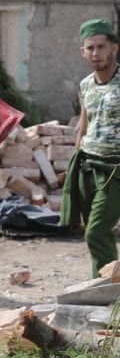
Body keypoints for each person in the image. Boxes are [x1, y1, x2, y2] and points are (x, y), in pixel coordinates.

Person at [61, 19, 120, 279]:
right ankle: (103, 284)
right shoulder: (85, 85)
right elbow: (84, 125)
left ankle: (108, 294)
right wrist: (74, 160)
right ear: (82, 51)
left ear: (114, 48)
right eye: (90, 48)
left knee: (96, 231)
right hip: (87, 165)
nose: (96, 53)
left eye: (101, 47)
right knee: (95, 232)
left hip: (114, 168)